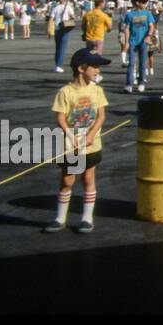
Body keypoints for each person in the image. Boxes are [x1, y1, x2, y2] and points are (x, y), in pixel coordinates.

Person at [44, 48, 110, 234]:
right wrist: (70, 135)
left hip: (91, 144)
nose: (98, 71)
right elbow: (61, 117)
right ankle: (60, 218)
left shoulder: (97, 90)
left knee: (88, 177)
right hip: (71, 144)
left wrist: (90, 135)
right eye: (95, 67)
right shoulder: (66, 92)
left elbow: (101, 116)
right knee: (67, 180)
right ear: (82, 68)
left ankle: (87, 218)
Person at [120, 0, 156, 93]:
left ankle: (141, 83)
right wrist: (127, 42)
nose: (145, 4)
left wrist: (148, 36)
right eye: (143, 2)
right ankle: (129, 84)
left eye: (145, 2)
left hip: (143, 41)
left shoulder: (147, 13)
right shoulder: (129, 14)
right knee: (131, 63)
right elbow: (127, 28)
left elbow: (151, 26)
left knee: (142, 63)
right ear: (137, 2)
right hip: (132, 41)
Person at [51, 0, 78, 72]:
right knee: (62, 48)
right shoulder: (68, 7)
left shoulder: (55, 8)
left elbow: (51, 19)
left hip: (57, 28)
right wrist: (70, 18)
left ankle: (57, 64)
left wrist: (49, 30)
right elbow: (73, 16)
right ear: (65, 0)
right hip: (64, 28)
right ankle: (59, 65)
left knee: (57, 47)